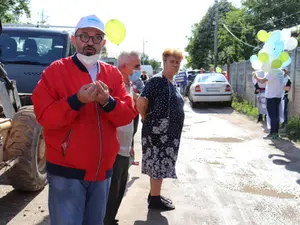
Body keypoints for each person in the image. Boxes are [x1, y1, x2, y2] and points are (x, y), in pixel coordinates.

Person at [31, 14, 137, 225]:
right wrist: (76, 101)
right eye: (84, 36)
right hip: (66, 174)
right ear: (74, 39)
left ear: (103, 43)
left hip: (102, 174)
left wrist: (108, 102)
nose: (90, 41)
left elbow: (127, 114)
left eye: (96, 37)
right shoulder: (54, 72)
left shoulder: (113, 74)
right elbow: (44, 115)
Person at [136, 48, 185, 210]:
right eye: (172, 61)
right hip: (157, 133)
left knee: (162, 163)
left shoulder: (172, 82)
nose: (175, 65)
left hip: (169, 134)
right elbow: (141, 101)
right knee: (157, 163)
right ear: (164, 62)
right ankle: (155, 200)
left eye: (178, 62)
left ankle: (154, 194)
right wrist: (145, 117)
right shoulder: (157, 80)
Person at [104, 51, 141, 225]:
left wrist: (132, 142)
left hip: (125, 146)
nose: (138, 69)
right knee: (113, 188)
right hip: (115, 147)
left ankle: (111, 218)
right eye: (136, 65)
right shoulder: (113, 83)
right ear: (124, 66)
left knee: (120, 187)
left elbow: (132, 118)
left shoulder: (129, 84)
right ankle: (106, 220)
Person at [253, 69, 285, 139]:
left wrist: (255, 76)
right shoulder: (280, 72)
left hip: (271, 96)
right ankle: (275, 133)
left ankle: (273, 133)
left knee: (272, 116)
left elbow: (262, 81)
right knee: (276, 115)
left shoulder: (271, 71)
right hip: (278, 96)